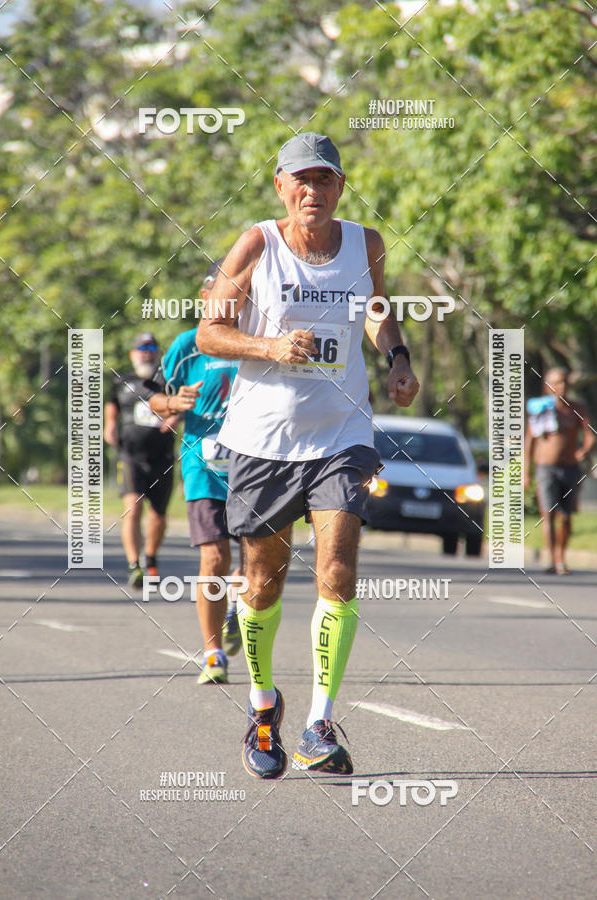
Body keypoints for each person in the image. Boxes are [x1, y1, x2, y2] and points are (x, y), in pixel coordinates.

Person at [196, 132, 419, 778]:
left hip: (340, 437)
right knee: (262, 583)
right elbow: (211, 331)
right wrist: (269, 347)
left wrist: (396, 357)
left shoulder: (364, 244)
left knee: (337, 572)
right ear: (280, 187)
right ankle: (264, 706)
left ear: (340, 187)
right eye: (301, 180)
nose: (312, 192)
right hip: (263, 442)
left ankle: (320, 723)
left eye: (324, 180)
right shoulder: (257, 245)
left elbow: (376, 311)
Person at [147, 260, 242, 684]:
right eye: (218, 293)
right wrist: (175, 402)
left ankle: (238, 607)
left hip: (256, 464)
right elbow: (153, 399)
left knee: (258, 564)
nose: (228, 301)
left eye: (237, 293)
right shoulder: (186, 345)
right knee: (215, 557)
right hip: (204, 464)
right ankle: (213, 654)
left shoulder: (255, 340)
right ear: (205, 297)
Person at [104, 333, 176, 588]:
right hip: (131, 456)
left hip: (163, 457)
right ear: (132, 354)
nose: (147, 352)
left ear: (158, 353)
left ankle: (150, 558)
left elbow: (183, 406)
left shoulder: (168, 382)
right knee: (132, 508)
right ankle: (134, 565)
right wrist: (109, 423)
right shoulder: (122, 380)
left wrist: (176, 418)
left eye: (152, 348)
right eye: (141, 348)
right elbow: (112, 404)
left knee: (158, 515)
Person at [524, 367, 594, 574]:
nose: (560, 387)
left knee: (565, 517)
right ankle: (552, 558)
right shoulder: (541, 410)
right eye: (556, 383)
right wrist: (525, 472)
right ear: (548, 387)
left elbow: (589, 434)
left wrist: (583, 450)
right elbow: (530, 442)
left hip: (570, 469)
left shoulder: (578, 408)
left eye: (563, 382)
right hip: (546, 468)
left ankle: (561, 558)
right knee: (549, 514)